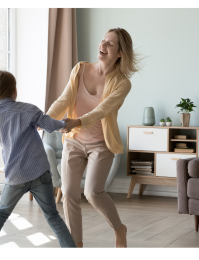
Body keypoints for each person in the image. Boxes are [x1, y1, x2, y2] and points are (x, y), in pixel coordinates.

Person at [46, 28, 139, 248]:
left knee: (93, 192)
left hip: (101, 144)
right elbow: (64, 99)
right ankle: (76, 246)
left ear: (120, 53)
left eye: (111, 44)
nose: (103, 46)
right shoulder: (80, 69)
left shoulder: (122, 83)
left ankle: (119, 228)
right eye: (103, 40)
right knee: (68, 193)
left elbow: (102, 110)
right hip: (74, 141)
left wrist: (76, 121)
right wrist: (46, 120)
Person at [0, 70, 78, 248]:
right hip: (39, 172)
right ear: (14, 89)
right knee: (53, 217)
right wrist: (67, 124)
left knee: (0, 214)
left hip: (15, 176)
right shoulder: (29, 110)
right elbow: (51, 125)